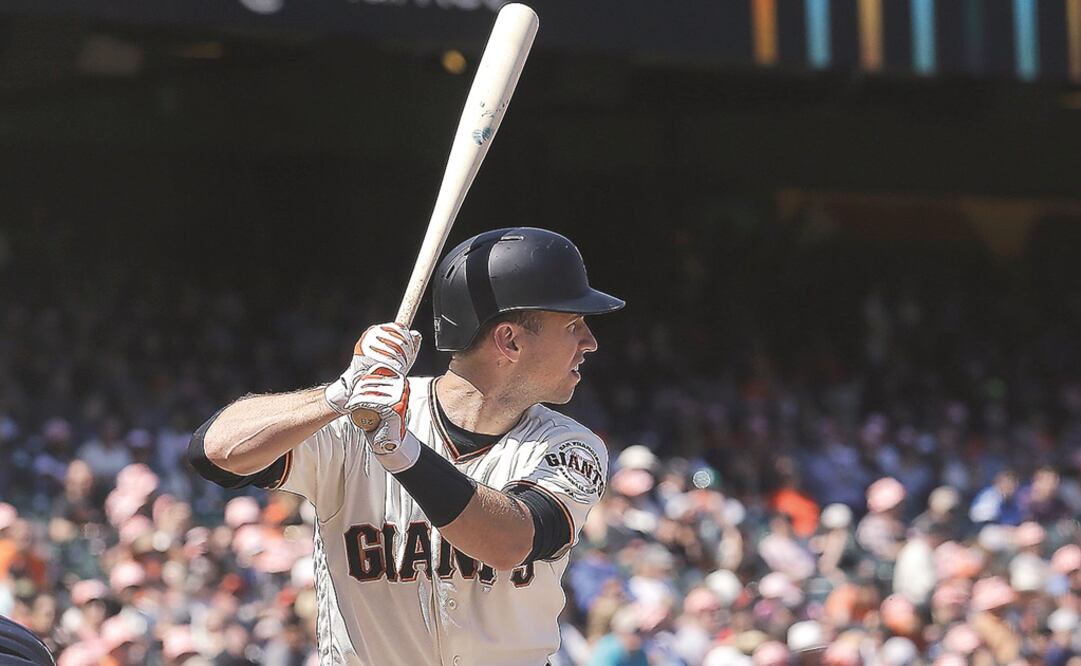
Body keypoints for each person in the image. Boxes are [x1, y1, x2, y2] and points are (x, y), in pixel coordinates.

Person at [188, 227, 624, 665]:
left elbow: (511, 542)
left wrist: (403, 452)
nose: (590, 342)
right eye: (573, 325)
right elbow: (214, 452)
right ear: (509, 340)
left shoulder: (572, 445)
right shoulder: (363, 414)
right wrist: (333, 396)